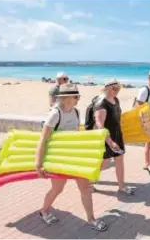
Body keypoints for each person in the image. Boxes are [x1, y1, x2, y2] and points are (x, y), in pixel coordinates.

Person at [35, 83, 108, 231]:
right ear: (67, 97)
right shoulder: (55, 114)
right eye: (76, 96)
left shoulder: (75, 112)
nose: (79, 98)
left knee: (85, 188)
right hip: (58, 159)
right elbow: (43, 139)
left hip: (74, 158)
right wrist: (39, 164)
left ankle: (91, 219)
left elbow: (75, 136)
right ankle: (44, 211)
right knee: (57, 189)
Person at [92, 79, 134, 195]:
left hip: (117, 135)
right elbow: (99, 124)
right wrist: (110, 142)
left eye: (118, 88)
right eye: (114, 88)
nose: (117, 91)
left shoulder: (116, 100)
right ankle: (88, 181)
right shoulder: (101, 104)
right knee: (104, 163)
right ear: (107, 88)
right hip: (106, 138)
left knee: (119, 160)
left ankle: (121, 186)